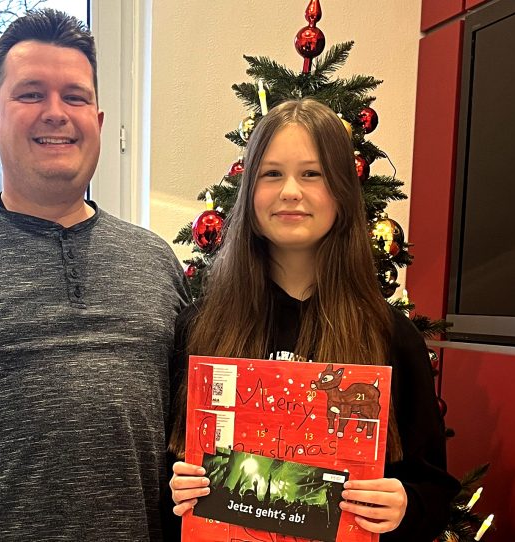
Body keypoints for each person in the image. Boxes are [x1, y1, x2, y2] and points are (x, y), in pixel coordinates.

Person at [0, 9, 188, 541]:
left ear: (100, 120)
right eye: (31, 93)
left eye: (75, 96)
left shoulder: (158, 263)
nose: (55, 113)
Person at [167, 99, 459, 541]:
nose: (290, 191)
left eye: (312, 173)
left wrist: (405, 505)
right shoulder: (198, 328)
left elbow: (435, 490)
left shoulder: (390, 336)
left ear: (341, 190)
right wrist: (176, 491)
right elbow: (164, 476)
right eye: (271, 173)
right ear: (249, 191)